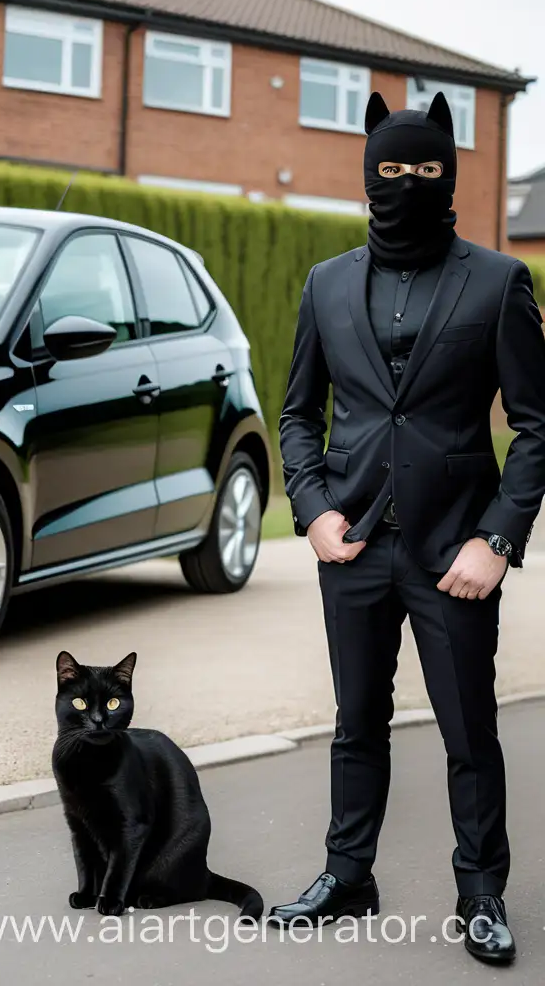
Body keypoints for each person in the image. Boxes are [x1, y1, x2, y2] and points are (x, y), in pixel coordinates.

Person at [270, 90, 545, 966]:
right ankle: (348, 875)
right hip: (350, 547)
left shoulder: (499, 281)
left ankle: (480, 892)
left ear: (451, 172)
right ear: (366, 172)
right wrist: (313, 513)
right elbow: (297, 416)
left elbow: (538, 425)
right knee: (357, 722)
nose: (410, 183)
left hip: (454, 552)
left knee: (470, 729)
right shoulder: (324, 283)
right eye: (392, 169)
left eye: (428, 169)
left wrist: (496, 540)